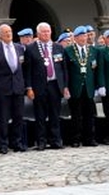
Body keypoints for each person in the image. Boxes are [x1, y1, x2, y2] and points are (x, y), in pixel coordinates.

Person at [24, 22, 69, 150]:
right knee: (40, 115)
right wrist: (29, 87)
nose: (46, 34)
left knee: (55, 114)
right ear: (38, 34)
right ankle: (41, 141)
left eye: (48, 31)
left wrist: (65, 86)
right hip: (39, 86)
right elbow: (28, 70)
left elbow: (64, 69)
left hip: (55, 85)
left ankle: (56, 140)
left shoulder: (58, 47)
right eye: (43, 31)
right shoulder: (31, 48)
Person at [0, 24, 27, 154]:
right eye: (5, 32)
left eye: (10, 31)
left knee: (18, 117)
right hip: (2, 88)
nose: (9, 34)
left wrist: (25, 86)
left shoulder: (19, 48)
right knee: (3, 118)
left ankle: (17, 142)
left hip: (18, 87)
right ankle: (3, 144)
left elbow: (24, 69)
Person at [65, 26, 103, 147]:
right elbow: (66, 71)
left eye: (85, 36)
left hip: (89, 87)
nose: (83, 38)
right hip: (75, 87)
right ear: (75, 38)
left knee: (89, 115)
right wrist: (66, 87)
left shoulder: (93, 50)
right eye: (81, 36)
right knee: (76, 115)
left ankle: (89, 138)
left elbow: (97, 70)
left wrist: (97, 86)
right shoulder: (68, 50)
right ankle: (76, 139)